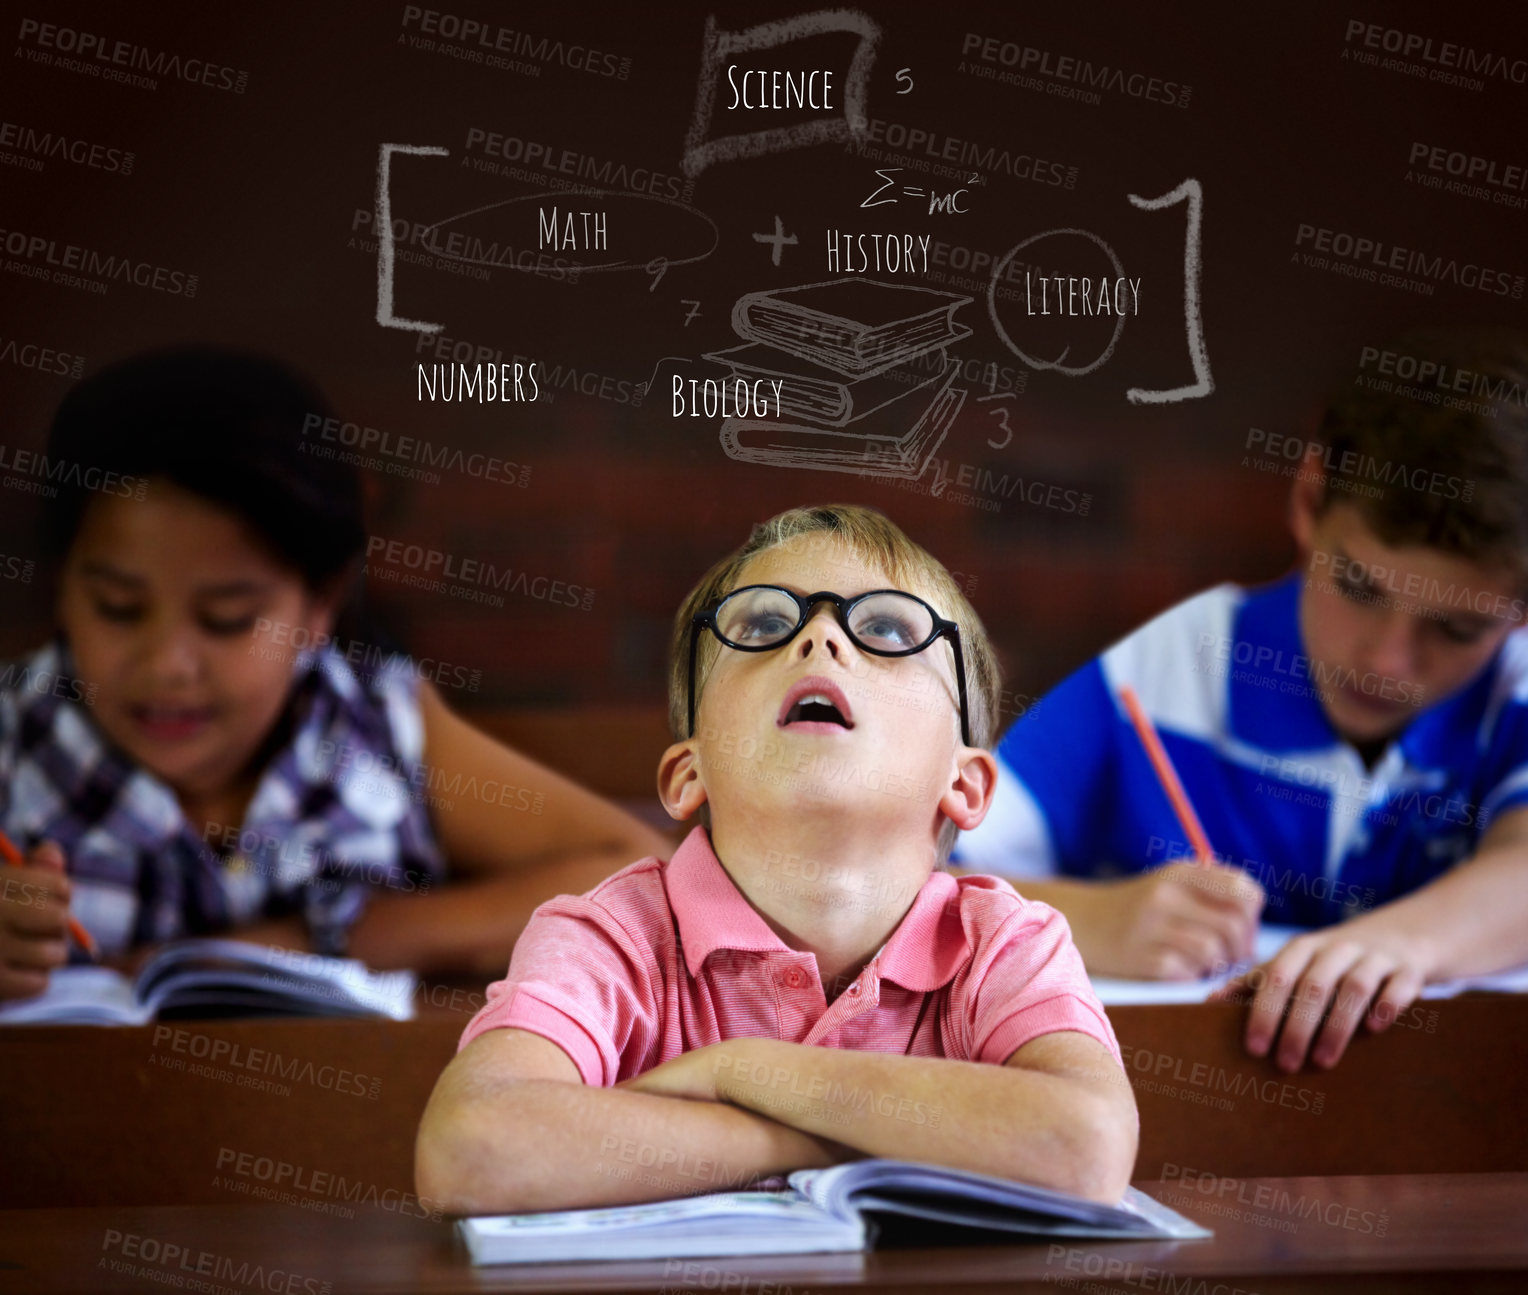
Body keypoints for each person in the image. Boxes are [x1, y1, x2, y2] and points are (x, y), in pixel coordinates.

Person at [415, 504, 1137, 1214]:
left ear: (964, 782)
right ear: (686, 773)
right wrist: (825, 1137)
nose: (819, 636)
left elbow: (1085, 1146)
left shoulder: (1004, 941)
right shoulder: (609, 936)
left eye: (885, 627)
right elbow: (472, 1150)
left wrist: (741, 1070)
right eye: (763, 625)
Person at [0, 347, 669, 999]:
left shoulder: (379, 727)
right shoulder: (15, 740)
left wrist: (321, 937)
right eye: (117, 608)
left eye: (227, 617)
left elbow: (640, 870)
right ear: (61, 584)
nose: (167, 665)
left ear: (320, 603)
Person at [956, 329, 1528, 1072]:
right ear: (1306, 499)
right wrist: (1092, 920)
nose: (1389, 661)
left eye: (1456, 627)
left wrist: (1398, 945)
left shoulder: (1527, 679)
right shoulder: (1171, 666)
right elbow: (914, 879)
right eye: (1358, 586)